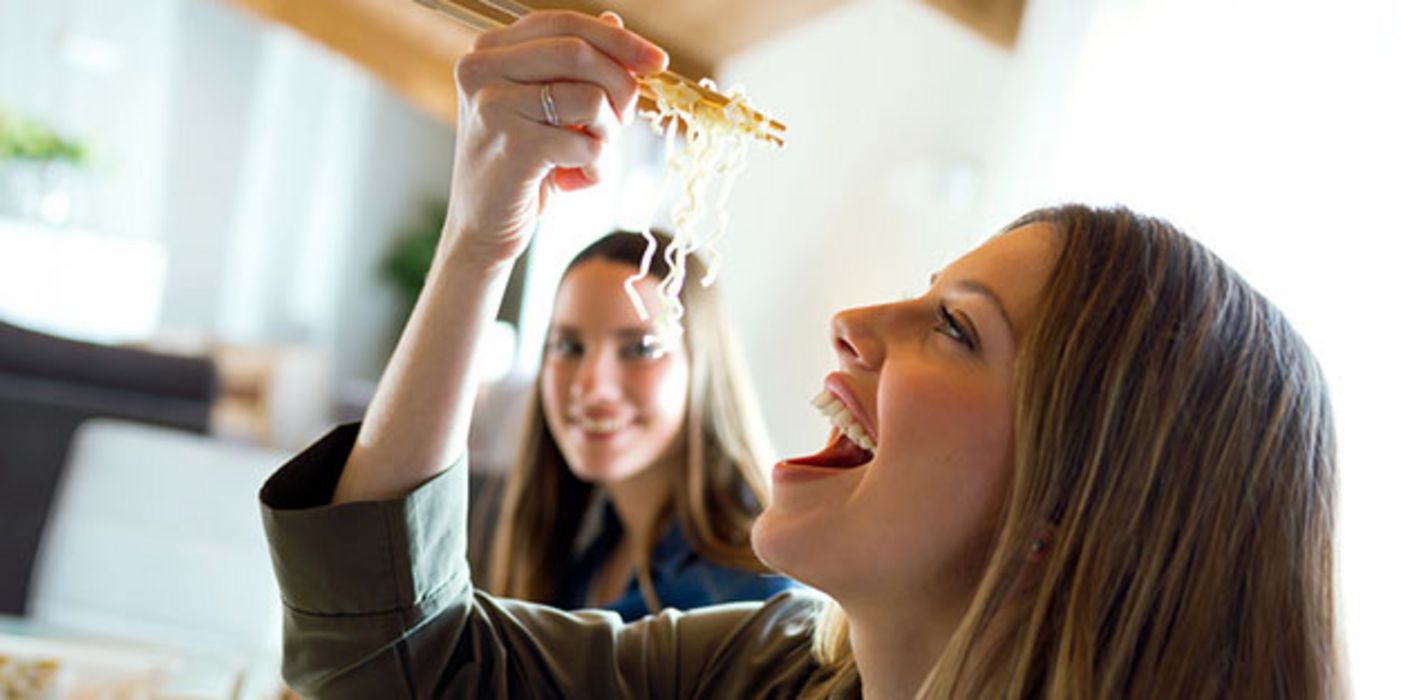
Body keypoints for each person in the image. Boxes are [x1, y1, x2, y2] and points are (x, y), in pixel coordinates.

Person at [258, 10, 1340, 699]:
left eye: (956, 328)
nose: (855, 321)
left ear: (1078, 505)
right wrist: (480, 235)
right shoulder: (767, 668)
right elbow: (384, 666)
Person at [481, 229, 793, 621]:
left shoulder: (754, 594)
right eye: (568, 346)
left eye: (641, 348)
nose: (591, 386)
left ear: (702, 366)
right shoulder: (584, 553)